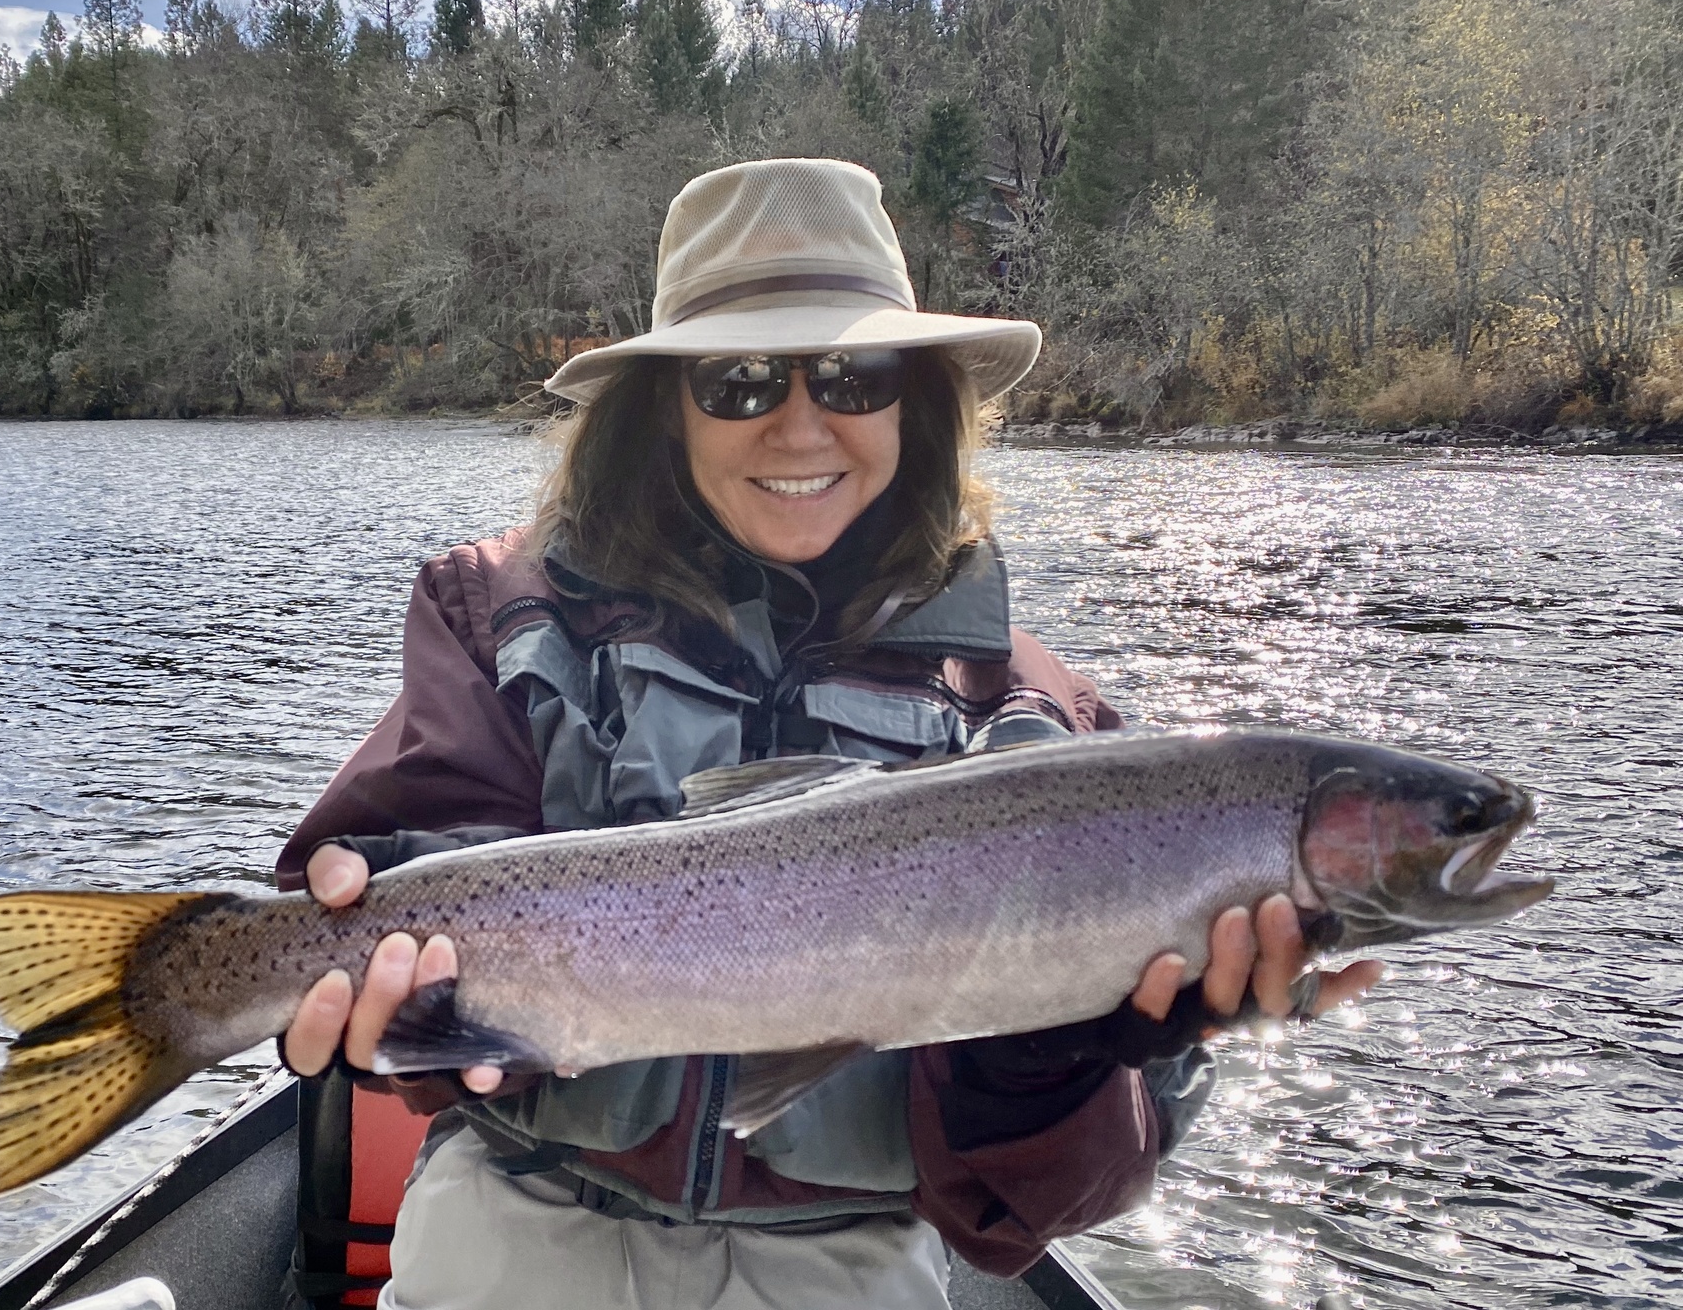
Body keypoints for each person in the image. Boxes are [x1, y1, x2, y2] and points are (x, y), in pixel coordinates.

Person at [274, 158, 1380, 1310]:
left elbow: (1051, 1205)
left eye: (856, 375)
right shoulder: (498, 611)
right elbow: (401, 865)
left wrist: (1052, 1052)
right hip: (514, 1231)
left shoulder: (1031, 719)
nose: (803, 425)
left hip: (846, 1268)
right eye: (741, 381)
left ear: (918, 399)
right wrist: (367, 941)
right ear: (666, 407)